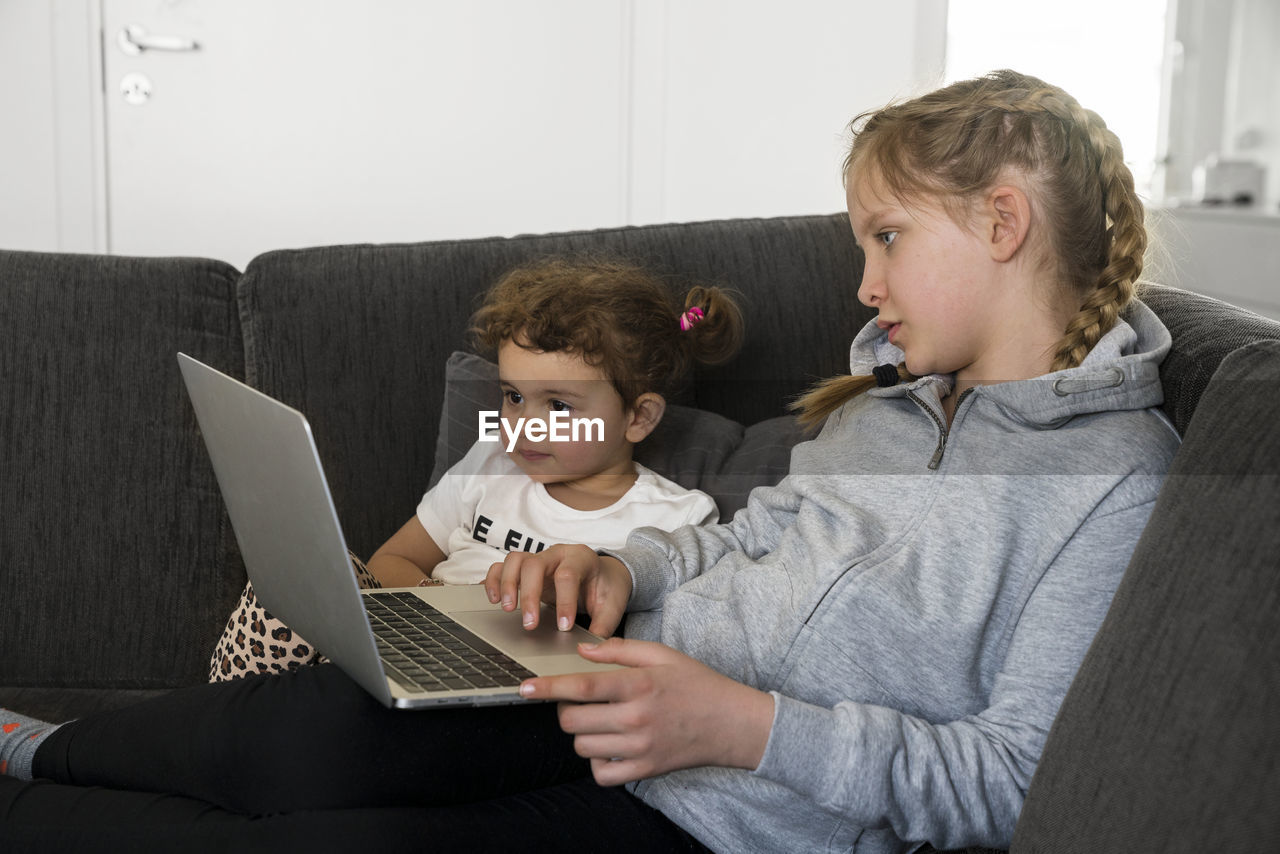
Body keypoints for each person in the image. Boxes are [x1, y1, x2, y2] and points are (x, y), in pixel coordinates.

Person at [1, 70, 1180, 853]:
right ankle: (40, 748)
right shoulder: (884, 407)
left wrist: (742, 729)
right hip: (607, 678)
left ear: (1001, 221)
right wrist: (632, 573)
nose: (863, 283)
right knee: (312, 726)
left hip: (731, 811)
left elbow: (1017, 777)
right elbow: (744, 540)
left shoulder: (1113, 479)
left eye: (885, 236)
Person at [208, 256, 741, 680]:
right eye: (513, 397)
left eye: (559, 406)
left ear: (638, 417)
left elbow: (649, 650)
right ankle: (237, 715)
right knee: (307, 573)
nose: (523, 426)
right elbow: (393, 559)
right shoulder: (489, 463)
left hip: (514, 680)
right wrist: (440, 610)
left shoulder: (677, 519)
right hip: (416, 636)